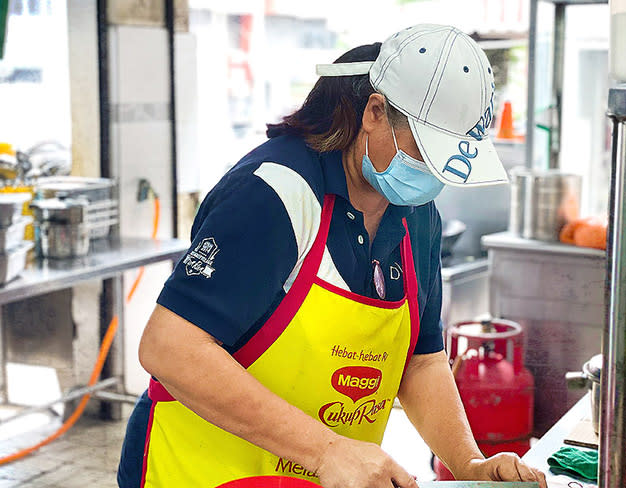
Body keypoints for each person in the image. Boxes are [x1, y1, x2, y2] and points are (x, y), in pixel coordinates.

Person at [117, 23, 547, 488]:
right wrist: (326, 451)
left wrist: (468, 465)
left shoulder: (415, 216)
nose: (433, 174)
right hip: (197, 472)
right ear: (375, 113)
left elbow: (421, 362)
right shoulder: (275, 195)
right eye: (426, 150)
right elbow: (170, 348)